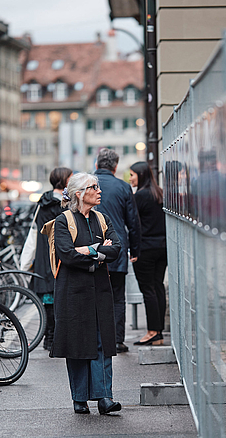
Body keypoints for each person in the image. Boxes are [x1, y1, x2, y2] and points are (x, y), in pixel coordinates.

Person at [51, 172, 122, 415]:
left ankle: (105, 397)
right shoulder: (63, 221)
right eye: (94, 187)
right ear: (79, 194)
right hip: (73, 292)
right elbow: (67, 255)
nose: (99, 191)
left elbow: (117, 248)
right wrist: (99, 253)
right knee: (78, 344)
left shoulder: (102, 218)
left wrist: (88, 250)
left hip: (100, 290)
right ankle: (79, 398)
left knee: (102, 342)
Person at [94, 148, 141, 353]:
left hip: (91, 248)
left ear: (97, 165)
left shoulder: (87, 185)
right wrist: (135, 250)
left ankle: (95, 338)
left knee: (93, 293)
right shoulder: (123, 187)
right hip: (117, 248)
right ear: (115, 167)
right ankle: (116, 340)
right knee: (117, 296)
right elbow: (133, 222)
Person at [31, 167, 72, 351]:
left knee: (49, 299)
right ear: (63, 181)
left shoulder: (43, 201)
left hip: (43, 256)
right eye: (70, 178)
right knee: (55, 299)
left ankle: (51, 338)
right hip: (55, 256)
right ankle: (53, 338)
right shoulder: (60, 204)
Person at [128, 161, 168, 346]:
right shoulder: (159, 193)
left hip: (146, 248)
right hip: (162, 247)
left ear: (140, 175)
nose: (130, 178)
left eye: (132, 175)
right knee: (157, 287)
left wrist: (134, 250)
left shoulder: (140, 196)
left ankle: (153, 331)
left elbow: (135, 226)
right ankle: (158, 332)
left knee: (148, 290)